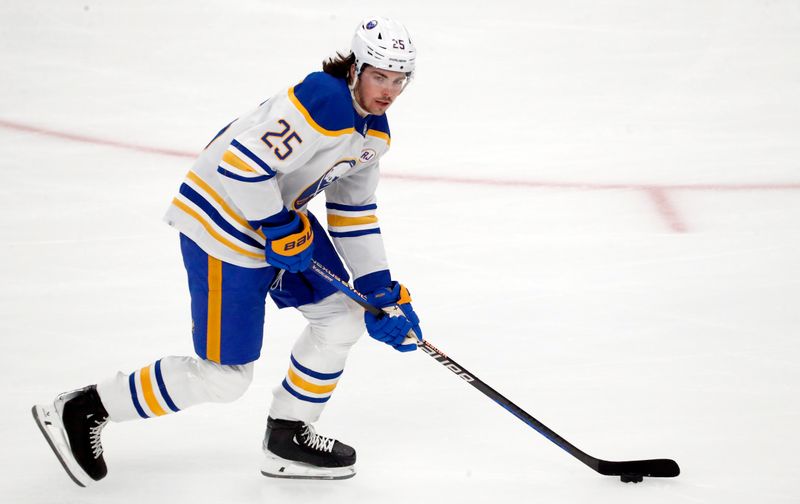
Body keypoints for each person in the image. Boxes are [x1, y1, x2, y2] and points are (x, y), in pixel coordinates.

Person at [32, 16, 423, 486]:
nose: (389, 90)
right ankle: (83, 408)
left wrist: (378, 287)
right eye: (380, 75)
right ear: (356, 68)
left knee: (343, 316)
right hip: (222, 227)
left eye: (400, 79)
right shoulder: (324, 102)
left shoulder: (373, 135)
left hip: (276, 222)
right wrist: (278, 226)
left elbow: (354, 210)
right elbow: (240, 166)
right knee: (225, 378)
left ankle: (288, 435)